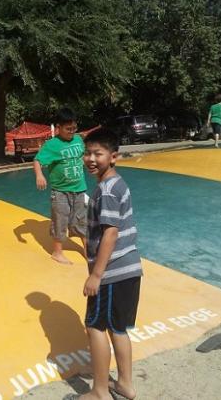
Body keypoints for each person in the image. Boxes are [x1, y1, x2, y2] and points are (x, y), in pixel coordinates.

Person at [80, 128, 143, 400]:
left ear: (113, 156)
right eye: (87, 153)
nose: (91, 159)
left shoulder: (106, 190)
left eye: (98, 153)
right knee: (118, 329)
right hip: (129, 269)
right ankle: (125, 384)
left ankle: (100, 391)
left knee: (95, 326)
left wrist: (96, 275)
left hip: (111, 273)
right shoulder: (118, 183)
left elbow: (110, 233)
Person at [33, 108, 87, 265]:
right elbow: (37, 160)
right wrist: (39, 175)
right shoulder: (52, 145)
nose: (72, 132)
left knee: (82, 220)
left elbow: (83, 156)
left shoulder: (78, 140)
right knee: (60, 220)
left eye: (74, 128)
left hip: (79, 188)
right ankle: (57, 253)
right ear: (59, 127)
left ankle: (88, 250)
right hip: (60, 192)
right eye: (68, 129)